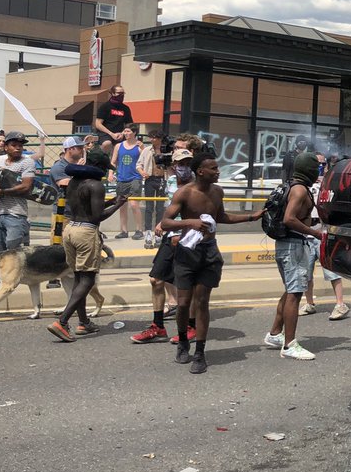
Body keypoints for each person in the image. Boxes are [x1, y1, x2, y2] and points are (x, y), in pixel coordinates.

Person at [159, 155, 264, 374]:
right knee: (184, 303)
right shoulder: (184, 193)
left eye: (217, 168)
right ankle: (182, 343)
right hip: (187, 253)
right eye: (213, 168)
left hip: (209, 253)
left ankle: (200, 352)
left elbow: (222, 216)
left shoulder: (217, 192)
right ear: (200, 171)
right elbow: (166, 222)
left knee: (203, 302)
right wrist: (190, 222)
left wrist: (251, 217)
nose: (218, 171)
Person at [46, 149, 127, 342]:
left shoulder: (74, 181)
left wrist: (111, 201)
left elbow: (87, 208)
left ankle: (84, 322)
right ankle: (62, 322)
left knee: (78, 278)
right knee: (88, 279)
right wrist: (118, 205)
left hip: (71, 229)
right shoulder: (96, 185)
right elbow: (97, 216)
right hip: (86, 233)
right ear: (98, 167)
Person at [262, 153, 325, 361]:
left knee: (290, 290)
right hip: (294, 245)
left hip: (287, 245)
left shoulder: (292, 186)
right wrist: (315, 233)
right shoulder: (299, 190)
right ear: (309, 169)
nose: (319, 170)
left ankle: (274, 334)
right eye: (316, 167)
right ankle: (290, 345)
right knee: (295, 293)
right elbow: (289, 219)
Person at [130, 148, 195, 344]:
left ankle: (192, 327)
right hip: (171, 236)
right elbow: (171, 208)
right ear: (173, 165)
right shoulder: (172, 181)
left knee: (187, 285)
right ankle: (158, 327)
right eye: (180, 163)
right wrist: (163, 222)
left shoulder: (199, 185)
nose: (184, 167)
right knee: (155, 280)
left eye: (188, 163)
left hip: (189, 238)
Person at [0, 132, 35, 256]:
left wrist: (2, 191)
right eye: (14, 145)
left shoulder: (27, 162)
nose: (18, 148)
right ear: (6, 147)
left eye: (20, 145)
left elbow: (26, 186)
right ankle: (2, 276)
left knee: (13, 251)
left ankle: (16, 275)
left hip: (16, 214)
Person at [110, 124, 144, 240]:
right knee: (122, 205)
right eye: (124, 131)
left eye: (128, 131)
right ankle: (123, 230)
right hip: (121, 178)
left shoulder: (139, 147)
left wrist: (143, 149)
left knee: (134, 204)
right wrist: (111, 173)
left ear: (134, 132)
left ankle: (139, 229)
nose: (126, 133)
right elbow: (113, 161)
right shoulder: (119, 146)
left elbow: (146, 159)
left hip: (135, 177)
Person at [138, 131, 168, 248]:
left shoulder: (166, 150)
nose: (152, 140)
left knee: (160, 208)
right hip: (150, 179)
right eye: (151, 138)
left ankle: (158, 233)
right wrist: (142, 172)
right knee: (149, 208)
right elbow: (138, 164)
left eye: (154, 138)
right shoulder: (147, 150)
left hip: (162, 179)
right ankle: (148, 233)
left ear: (159, 138)